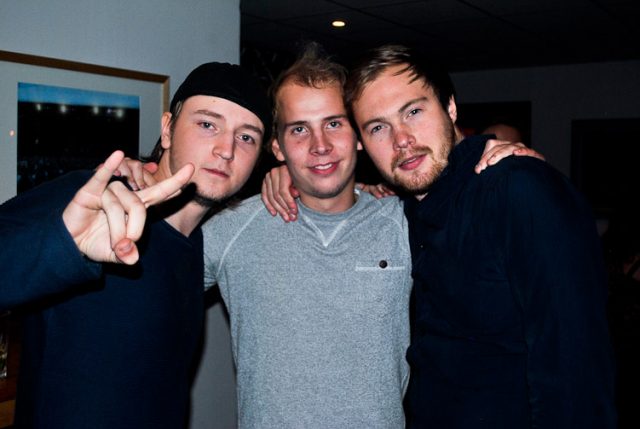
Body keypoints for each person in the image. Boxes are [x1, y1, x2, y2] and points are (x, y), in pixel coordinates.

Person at [342, 44, 616, 428]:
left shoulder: (519, 189)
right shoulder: (405, 210)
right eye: (377, 127)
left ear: (451, 108)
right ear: (361, 143)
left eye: (414, 112)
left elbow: (576, 370)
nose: (401, 138)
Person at [0, 62, 272, 428]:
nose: (226, 149)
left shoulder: (198, 246)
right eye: (208, 124)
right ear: (168, 130)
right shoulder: (93, 199)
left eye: (247, 137)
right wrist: (64, 243)